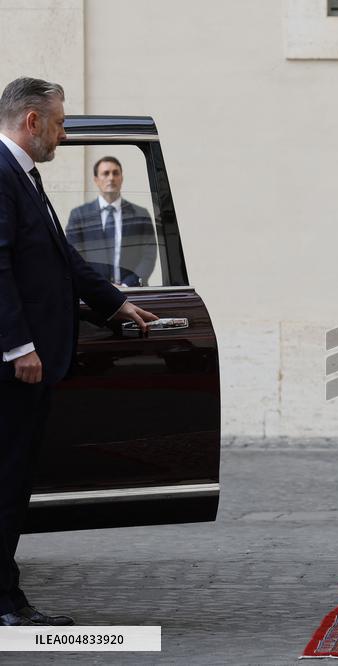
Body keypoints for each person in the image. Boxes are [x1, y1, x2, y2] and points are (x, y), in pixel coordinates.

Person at [0, 77, 157, 627]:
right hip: (15, 366)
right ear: (33, 121)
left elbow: (60, 255)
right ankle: (3, 602)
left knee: (16, 479)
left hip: (32, 360)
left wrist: (112, 304)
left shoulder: (25, 176)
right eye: (62, 123)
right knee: (7, 477)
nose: (65, 135)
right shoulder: (1, 173)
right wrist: (18, 345)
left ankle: (8, 594)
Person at [66, 156, 157, 287]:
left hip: (134, 293)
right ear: (96, 180)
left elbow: (149, 255)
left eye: (115, 173)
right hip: (94, 295)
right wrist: (102, 287)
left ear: (122, 178)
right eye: (105, 173)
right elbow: (75, 257)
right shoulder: (79, 215)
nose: (111, 178)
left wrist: (128, 285)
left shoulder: (140, 214)